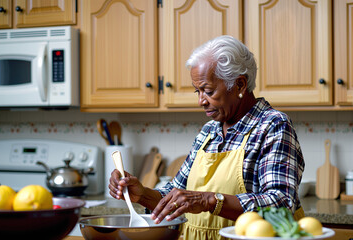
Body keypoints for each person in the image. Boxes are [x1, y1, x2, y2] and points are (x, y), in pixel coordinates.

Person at [109, 35, 305, 240]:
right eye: (198, 91)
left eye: (208, 91)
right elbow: (177, 193)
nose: (201, 101)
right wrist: (142, 195)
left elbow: (281, 204)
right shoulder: (209, 131)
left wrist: (209, 200)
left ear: (239, 85)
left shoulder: (273, 125)